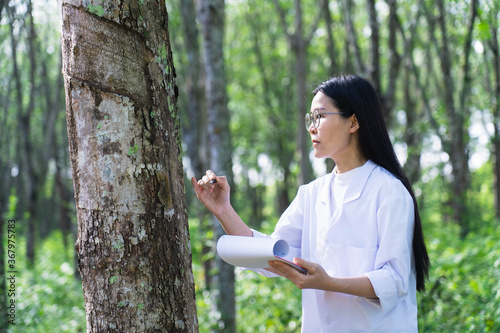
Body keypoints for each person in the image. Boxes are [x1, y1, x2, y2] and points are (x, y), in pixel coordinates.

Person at [191, 74, 430, 332]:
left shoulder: (389, 191)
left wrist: (328, 283)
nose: (312, 127)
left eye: (320, 116)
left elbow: (394, 280)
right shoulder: (311, 194)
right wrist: (223, 209)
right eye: (310, 118)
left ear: (353, 122)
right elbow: (272, 256)